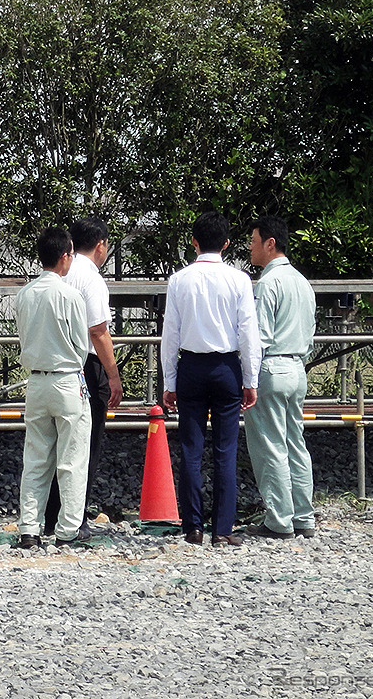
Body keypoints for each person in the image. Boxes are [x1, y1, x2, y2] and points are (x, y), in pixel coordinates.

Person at [160, 212, 261, 547]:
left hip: (190, 366)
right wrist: (251, 378)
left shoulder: (179, 280)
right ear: (227, 243)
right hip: (226, 368)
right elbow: (248, 334)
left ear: (194, 241)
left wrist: (169, 382)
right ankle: (222, 529)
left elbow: (170, 335)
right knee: (225, 448)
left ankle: (193, 526)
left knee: (191, 448)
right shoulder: (239, 280)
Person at [43, 217, 123, 539]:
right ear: (100, 244)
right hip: (86, 366)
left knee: (52, 448)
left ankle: (49, 517)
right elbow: (98, 331)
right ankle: (74, 518)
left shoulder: (60, 273)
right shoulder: (92, 280)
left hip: (52, 366)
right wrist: (114, 376)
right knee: (84, 446)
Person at [13, 227, 92, 549]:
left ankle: (29, 528)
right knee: (71, 459)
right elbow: (81, 344)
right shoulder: (70, 295)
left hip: (36, 379)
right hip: (67, 377)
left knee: (35, 458)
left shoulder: (25, 294)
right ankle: (67, 530)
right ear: (64, 257)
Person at [244, 216, 317, 539]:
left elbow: (259, 336)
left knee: (270, 446)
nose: (250, 247)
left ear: (270, 243)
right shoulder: (302, 282)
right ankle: (304, 515)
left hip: (272, 367)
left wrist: (248, 376)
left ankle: (278, 519)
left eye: (254, 240)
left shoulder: (268, 284)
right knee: (295, 444)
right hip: (297, 366)